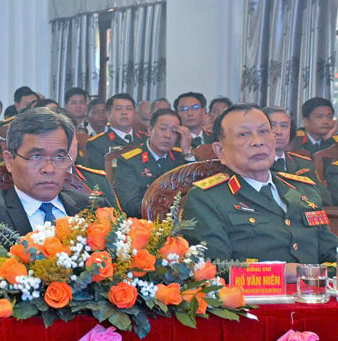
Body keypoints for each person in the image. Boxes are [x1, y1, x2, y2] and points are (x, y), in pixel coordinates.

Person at [0, 108, 102, 281]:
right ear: (9, 161)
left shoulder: (94, 208)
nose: (49, 169)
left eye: (59, 157)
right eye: (37, 157)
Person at [183, 104, 338, 264]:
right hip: (253, 289)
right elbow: (214, 268)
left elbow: (330, 252)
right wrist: (282, 273)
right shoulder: (207, 198)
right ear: (220, 151)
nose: (257, 142)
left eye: (264, 132)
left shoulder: (303, 189)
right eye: (243, 134)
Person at [113, 109, 193, 218]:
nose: (168, 135)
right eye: (163, 129)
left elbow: (196, 195)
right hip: (144, 223)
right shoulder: (129, 161)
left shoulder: (180, 159)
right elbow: (130, 206)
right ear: (150, 130)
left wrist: (187, 152)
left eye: (174, 131)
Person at [84, 93, 143, 170]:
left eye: (128, 109)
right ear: (108, 114)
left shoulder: (145, 140)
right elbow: (98, 177)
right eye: (119, 109)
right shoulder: (97, 144)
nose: (124, 112)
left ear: (134, 113)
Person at [263, 107, 314, 176]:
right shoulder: (254, 165)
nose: (278, 132)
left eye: (284, 126)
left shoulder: (305, 165)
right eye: (272, 126)